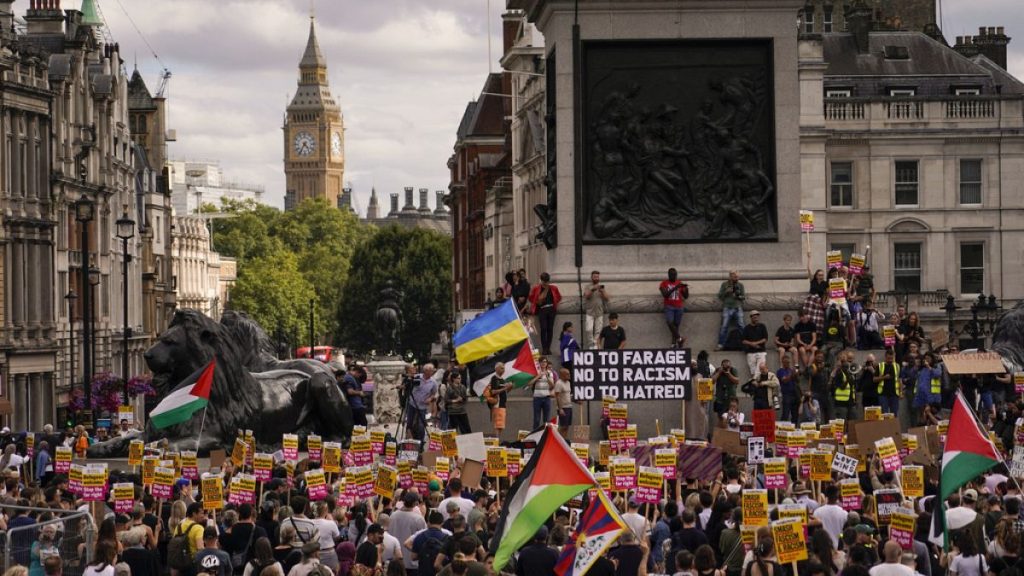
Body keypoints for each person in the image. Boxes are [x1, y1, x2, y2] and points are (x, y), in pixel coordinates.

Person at [528, 272, 562, 355]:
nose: (545, 282)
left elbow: (559, 297)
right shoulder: (536, 288)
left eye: (546, 281)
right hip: (542, 310)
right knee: (543, 329)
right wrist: (537, 301)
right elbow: (531, 298)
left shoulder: (553, 288)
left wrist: (555, 303)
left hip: (551, 309)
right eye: (543, 280)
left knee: (550, 329)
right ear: (541, 280)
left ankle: (548, 348)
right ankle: (544, 348)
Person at [716, 271, 745, 350]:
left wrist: (738, 296)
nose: (737, 278)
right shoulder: (725, 284)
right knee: (724, 326)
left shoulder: (740, 285)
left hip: (737, 307)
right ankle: (720, 344)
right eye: (735, 277)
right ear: (730, 277)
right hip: (727, 307)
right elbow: (720, 296)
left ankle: (745, 343)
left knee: (741, 325)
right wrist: (726, 292)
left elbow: (743, 297)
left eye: (737, 277)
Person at [660, 268, 688, 348]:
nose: (674, 276)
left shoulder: (679, 283)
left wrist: (686, 289)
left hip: (679, 306)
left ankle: (674, 343)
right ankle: (679, 338)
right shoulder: (664, 283)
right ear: (669, 275)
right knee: (669, 322)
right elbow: (665, 295)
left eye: (675, 275)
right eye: (672, 275)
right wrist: (675, 288)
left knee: (676, 326)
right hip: (669, 306)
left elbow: (686, 296)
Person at [484, 364, 513, 438]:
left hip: (502, 404)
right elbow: (493, 392)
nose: (503, 370)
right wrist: (505, 388)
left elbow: (505, 392)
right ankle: (496, 442)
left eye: (503, 368)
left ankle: (497, 441)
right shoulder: (494, 378)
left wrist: (510, 387)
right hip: (498, 405)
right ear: (496, 369)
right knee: (498, 425)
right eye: (501, 368)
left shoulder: (502, 379)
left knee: (500, 426)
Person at [583, 271, 610, 349]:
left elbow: (607, 298)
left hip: (599, 312)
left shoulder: (601, 287)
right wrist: (593, 289)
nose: (596, 278)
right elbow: (587, 296)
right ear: (591, 277)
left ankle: (595, 345)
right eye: (594, 276)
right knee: (588, 329)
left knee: (598, 330)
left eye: (597, 277)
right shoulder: (587, 286)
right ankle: (591, 344)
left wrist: (603, 291)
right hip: (589, 312)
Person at [528, 358, 555, 430]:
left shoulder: (549, 373)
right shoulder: (535, 372)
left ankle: (545, 437)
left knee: (547, 419)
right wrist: (538, 376)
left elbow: (552, 385)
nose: (543, 363)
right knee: (536, 419)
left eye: (545, 362)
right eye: (542, 362)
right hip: (537, 398)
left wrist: (547, 377)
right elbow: (529, 383)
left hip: (547, 398)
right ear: (539, 363)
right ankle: (535, 436)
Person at [741, 310, 768, 378]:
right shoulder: (747, 328)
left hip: (761, 351)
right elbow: (743, 340)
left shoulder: (762, 326)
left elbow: (765, 339)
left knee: (761, 368)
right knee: (753, 371)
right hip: (750, 352)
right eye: (754, 317)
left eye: (757, 317)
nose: (756, 319)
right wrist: (751, 344)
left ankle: (754, 382)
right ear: (751, 318)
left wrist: (756, 343)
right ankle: (755, 383)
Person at [875, 348, 901, 416]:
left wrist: (901, 392)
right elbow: (874, 379)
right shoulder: (880, 366)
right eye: (889, 358)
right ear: (885, 357)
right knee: (884, 414)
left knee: (895, 413)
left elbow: (899, 380)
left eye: (892, 358)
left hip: (894, 394)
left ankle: (894, 426)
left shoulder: (897, 366)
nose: (890, 360)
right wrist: (884, 377)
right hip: (883, 394)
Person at [831, 351, 855, 420]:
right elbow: (841, 387)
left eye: (847, 360)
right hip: (841, 403)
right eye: (843, 361)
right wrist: (848, 379)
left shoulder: (850, 373)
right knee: (842, 423)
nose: (847, 363)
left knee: (852, 423)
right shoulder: (839, 373)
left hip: (850, 402)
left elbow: (852, 388)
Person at [777, 355, 799, 423]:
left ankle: (794, 428)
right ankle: (782, 428)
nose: (787, 364)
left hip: (794, 394)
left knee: (795, 414)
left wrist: (796, 375)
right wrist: (791, 375)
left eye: (788, 362)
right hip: (787, 394)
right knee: (785, 414)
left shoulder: (791, 370)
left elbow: (797, 381)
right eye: (786, 362)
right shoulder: (780, 371)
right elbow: (784, 380)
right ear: (783, 362)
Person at [553, 368, 574, 438]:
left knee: (567, 426)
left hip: (569, 406)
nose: (569, 375)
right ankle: (557, 439)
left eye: (569, 374)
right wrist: (560, 409)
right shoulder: (559, 383)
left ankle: (564, 441)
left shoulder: (568, 383)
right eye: (567, 374)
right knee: (563, 426)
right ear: (562, 375)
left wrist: (576, 401)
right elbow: (557, 396)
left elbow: (568, 395)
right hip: (563, 408)